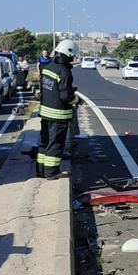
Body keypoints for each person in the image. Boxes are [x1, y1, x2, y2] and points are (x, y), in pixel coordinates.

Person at [38, 40, 79, 179]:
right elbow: (66, 96)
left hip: (45, 112)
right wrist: (77, 100)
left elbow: (48, 89)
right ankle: (52, 172)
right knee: (56, 143)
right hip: (58, 115)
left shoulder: (48, 67)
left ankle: (41, 170)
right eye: (73, 57)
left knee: (45, 142)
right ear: (69, 54)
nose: (73, 60)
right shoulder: (65, 72)